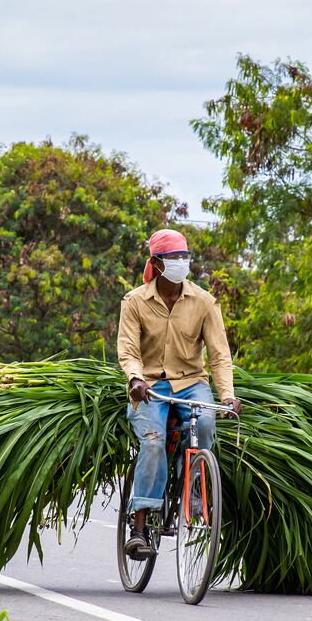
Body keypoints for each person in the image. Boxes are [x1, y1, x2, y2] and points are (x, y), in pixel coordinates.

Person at [117, 228, 241, 559]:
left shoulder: (203, 302)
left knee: (205, 424)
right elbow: (128, 350)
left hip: (191, 382)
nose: (181, 263)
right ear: (156, 264)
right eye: (173, 258)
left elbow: (219, 355)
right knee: (154, 441)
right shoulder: (135, 302)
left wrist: (227, 395)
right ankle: (139, 524)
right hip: (149, 387)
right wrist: (134, 379)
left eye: (184, 257)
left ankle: (197, 491)